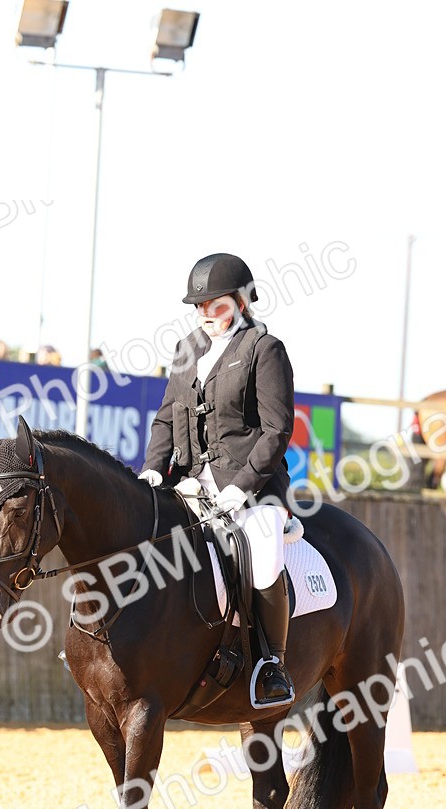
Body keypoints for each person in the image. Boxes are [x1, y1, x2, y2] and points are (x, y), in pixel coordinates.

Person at [139, 252, 296, 705]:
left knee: (263, 551)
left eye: (215, 304)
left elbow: (277, 430)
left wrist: (240, 488)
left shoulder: (264, 349)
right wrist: (154, 466)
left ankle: (272, 664)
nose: (205, 314)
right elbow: (166, 419)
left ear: (242, 301)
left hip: (252, 487)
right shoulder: (187, 349)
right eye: (199, 306)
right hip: (189, 482)